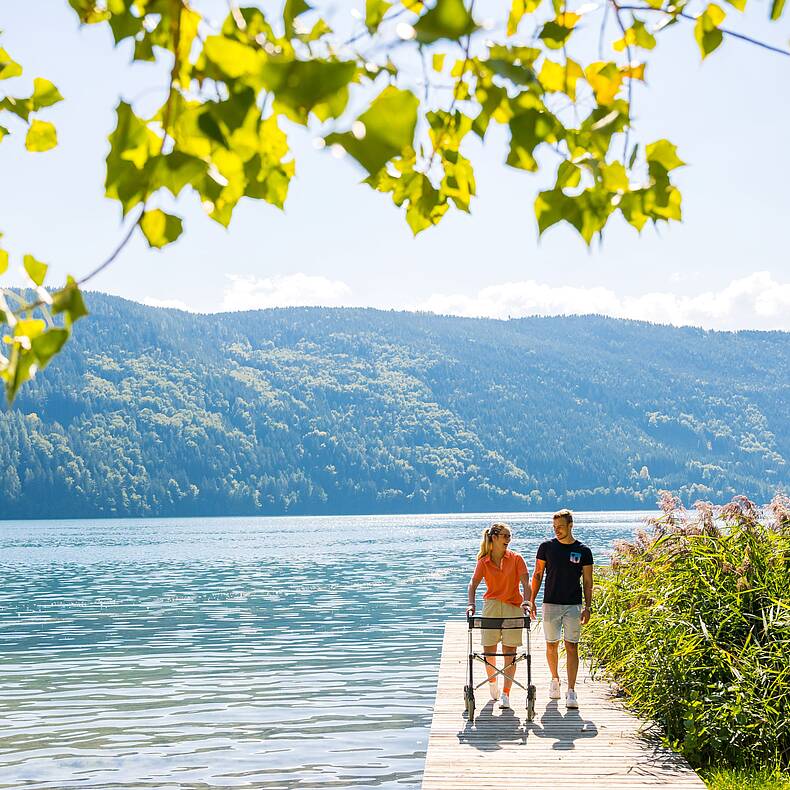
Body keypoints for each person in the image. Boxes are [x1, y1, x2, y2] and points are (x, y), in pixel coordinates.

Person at [530, 509, 593, 709]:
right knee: (551, 645)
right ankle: (555, 680)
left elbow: (588, 581)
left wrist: (588, 607)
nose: (557, 531)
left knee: (572, 646)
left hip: (573, 605)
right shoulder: (546, 547)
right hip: (550, 603)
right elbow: (538, 575)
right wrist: (531, 600)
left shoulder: (583, 550)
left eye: (561, 527)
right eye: (555, 527)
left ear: (570, 526)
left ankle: (571, 691)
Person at [466, 522, 531, 710]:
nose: (508, 540)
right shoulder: (483, 561)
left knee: (510, 654)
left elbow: (526, 583)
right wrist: (471, 604)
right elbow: (473, 584)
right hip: (491, 607)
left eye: (509, 536)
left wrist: (527, 602)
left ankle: (506, 694)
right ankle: (492, 682)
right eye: (505, 536)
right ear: (494, 538)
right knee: (489, 653)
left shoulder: (517, 558)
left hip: (513, 607)